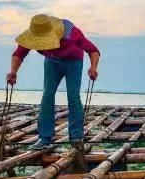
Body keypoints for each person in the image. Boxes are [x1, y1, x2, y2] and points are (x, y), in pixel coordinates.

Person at [6, 14, 100, 149]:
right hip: (52, 61)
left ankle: (76, 137)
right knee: (47, 95)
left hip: (73, 61)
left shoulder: (72, 33)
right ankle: (44, 137)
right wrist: (13, 72)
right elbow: (19, 53)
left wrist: (93, 67)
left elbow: (93, 50)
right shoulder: (35, 33)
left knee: (73, 95)